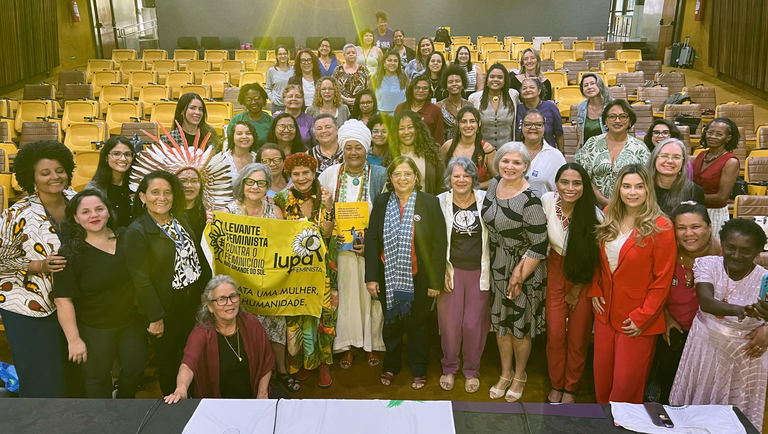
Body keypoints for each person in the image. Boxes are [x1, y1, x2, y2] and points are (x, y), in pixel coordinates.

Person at [669, 218, 768, 429]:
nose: (737, 255)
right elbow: (706, 302)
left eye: (746, 251)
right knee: (695, 412)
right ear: (721, 244)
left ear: (758, 252)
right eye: (731, 248)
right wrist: (739, 310)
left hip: (747, 355)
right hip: (706, 348)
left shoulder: (765, 279)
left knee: (736, 416)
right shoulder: (707, 264)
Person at [589, 164, 676, 404]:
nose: (632, 192)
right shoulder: (609, 214)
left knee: (626, 386)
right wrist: (594, 289)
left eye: (639, 186)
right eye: (627, 186)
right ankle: (605, 425)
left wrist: (642, 317)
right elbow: (598, 261)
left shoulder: (661, 226)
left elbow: (663, 280)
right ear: (619, 189)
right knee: (603, 380)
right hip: (605, 312)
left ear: (648, 190)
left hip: (636, 319)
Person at [0, 140, 78, 397]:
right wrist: (39, 265)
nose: (55, 177)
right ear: (32, 178)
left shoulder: (77, 202)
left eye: (59, 170)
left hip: (69, 301)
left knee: (70, 372)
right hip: (26, 305)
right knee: (42, 377)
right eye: (45, 173)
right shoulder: (16, 213)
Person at [125, 170, 212, 396]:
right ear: (143, 196)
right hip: (165, 308)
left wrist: (203, 291)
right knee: (168, 360)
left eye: (167, 192)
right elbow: (141, 281)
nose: (161, 198)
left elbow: (197, 256)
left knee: (191, 354)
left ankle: (191, 398)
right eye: (155, 193)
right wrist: (156, 317)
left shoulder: (180, 218)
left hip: (191, 301)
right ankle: (173, 407)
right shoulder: (137, 231)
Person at [365, 155, 447, 389]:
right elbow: (372, 240)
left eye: (407, 174)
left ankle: (419, 369)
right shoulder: (382, 202)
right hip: (387, 276)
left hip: (419, 277)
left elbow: (439, 244)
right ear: (390, 178)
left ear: (416, 177)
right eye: (397, 174)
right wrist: (371, 277)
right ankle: (390, 366)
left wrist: (435, 281)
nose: (402, 178)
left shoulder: (429, 203)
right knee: (391, 324)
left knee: (418, 325)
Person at [54, 189, 145, 399]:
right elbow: (63, 299)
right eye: (85, 212)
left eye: (99, 209)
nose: (93, 215)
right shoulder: (69, 253)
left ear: (108, 211)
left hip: (130, 322)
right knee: (97, 378)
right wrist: (74, 339)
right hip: (94, 327)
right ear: (75, 218)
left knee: (135, 370)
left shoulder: (126, 237)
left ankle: (123, 406)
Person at [218, 164, 298, 392]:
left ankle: (281, 370)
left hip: (270, 282)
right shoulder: (228, 211)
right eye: (250, 182)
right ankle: (254, 374)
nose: (255, 187)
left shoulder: (275, 211)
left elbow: (284, 247)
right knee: (245, 329)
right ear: (241, 184)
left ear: (267, 187)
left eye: (261, 183)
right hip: (239, 283)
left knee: (276, 324)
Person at [318, 120, 388, 369]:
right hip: (341, 250)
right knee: (346, 297)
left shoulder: (380, 175)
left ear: (366, 149)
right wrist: (330, 230)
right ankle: (347, 345)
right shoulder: (329, 175)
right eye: (348, 148)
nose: (353, 152)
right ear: (342, 149)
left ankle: (372, 344)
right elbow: (321, 213)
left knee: (372, 296)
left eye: (358, 147)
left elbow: (386, 214)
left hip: (371, 249)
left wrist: (371, 243)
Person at [483, 142, 548, 403]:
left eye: (516, 163)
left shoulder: (530, 199)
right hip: (497, 262)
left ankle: (520, 375)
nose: (510, 166)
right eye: (505, 161)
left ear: (525, 167)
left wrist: (519, 276)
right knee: (501, 322)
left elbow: (539, 243)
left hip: (524, 267)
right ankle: (505, 372)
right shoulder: (492, 185)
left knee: (518, 325)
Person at [644, 202, 719, 404]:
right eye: (681, 228)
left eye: (695, 227)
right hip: (673, 332)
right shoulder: (666, 252)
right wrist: (666, 316)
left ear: (709, 227)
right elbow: (651, 290)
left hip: (710, 338)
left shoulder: (725, 256)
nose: (689, 234)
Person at [541, 163, 603, 403]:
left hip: (584, 277)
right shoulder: (547, 201)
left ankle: (571, 387)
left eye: (577, 183)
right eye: (564, 182)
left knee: (578, 337)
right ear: (556, 183)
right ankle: (556, 383)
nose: (570, 188)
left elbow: (595, 259)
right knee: (555, 334)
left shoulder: (594, 214)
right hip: (555, 269)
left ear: (584, 186)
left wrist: (577, 289)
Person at [274, 153, 336, 388]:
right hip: (292, 269)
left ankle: (323, 363)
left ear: (314, 174)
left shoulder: (324, 195)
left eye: (306, 173)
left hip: (320, 268)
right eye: (296, 174)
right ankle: (298, 362)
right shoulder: (280, 199)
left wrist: (328, 206)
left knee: (320, 315)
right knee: (296, 315)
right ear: (289, 175)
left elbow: (328, 233)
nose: (301, 178)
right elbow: (280, 234)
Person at [163, 275, 275, 402]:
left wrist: (262, 394)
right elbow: (188, 365)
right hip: (219, 403)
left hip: (253, 397)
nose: (229, 303)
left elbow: (266, 361)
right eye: (222, 299)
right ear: (210, 306)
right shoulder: (202, 332)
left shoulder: (251, 323)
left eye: (233, 296)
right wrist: (181, 389)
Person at [436, 156, 491, 393]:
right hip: (451, 271)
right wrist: (440, 271)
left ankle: (471, 370)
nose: (461, 180)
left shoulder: (486, 200)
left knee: (473, 325)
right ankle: (449, 367)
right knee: (449, 325)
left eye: (466, 176)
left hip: (479, 271)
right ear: (449, 178)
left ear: (473, 178)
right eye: (456, 176)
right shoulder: (439, 202)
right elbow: (432, 241)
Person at [575, 99, 650, 207]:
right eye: (612, 116)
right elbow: (582, 175)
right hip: (593, 206)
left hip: (629, 207)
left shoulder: (640, 149)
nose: (617, 120)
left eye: (623, 116)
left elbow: (645, 183)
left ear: (630, 121)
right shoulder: (592, 143)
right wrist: (603, 200)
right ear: (605, 121)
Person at [692, 117, 740, 236]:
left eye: (719, 134)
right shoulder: (701, 154)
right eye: (710, 132)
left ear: (728, 138)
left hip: (714, 213)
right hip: (694, 210)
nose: (713, 136)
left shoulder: (730, 162)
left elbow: (721, 197)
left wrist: (690, 197)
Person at [383, 110, 445, 195]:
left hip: (429, 206)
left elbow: (442, 185)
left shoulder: (433, 152)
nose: (406, 132)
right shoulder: (391, 156)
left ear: (418, 128)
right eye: (401, 129)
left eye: (410, 127)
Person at [440, 106, 496, 189]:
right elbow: (440, 177)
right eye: (463, 121)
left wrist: (475, 187)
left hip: (479, 197)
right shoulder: (447, 146)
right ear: (457, 124)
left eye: (472, 121)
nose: (468, 125)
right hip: (451, 196)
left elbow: (497, 179)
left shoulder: (487, 149)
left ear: (479, 123)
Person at [86, 136, 135, 227]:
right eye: (116, 154)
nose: (123, 158)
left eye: (127, 154)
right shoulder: (94, 189)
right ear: (105, 157)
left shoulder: (137, 184)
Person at [468, 63, 520, 149]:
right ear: (487, 80)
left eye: (500, 77)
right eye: (492, 77)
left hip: (508, 150)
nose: (495, 79)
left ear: (504, 81)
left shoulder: (513, 95)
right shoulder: (474, 98)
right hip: (482, 150)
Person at [647, 138, 704, 215]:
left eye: (676, 157)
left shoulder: (695, 191)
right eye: (664, 156)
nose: (670, 161)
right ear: (654, 158)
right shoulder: (641, 187)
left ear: (683, 162)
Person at [520, 109, 567, 196]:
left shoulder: (556, 156)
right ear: (522, 126)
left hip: (544, 207)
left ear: (544, 127)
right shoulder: (511, 151)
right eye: (528, 124)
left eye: (538, 125)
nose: (533, 127)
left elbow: (563, 188)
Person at [514, 78, 563, 150]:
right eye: (524, 88)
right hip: (522, 153)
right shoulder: (517, 109)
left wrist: (562, 153)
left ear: (539, 91)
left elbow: (559, 133)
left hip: (548, 152)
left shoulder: (550, 107)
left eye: (532, 87)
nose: (528, 90)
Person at [395, 75, 444, 144]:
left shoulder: (435, 110)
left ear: (429, 91)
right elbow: (394, 133)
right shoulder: (400, 107)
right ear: (411, 89)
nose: (421, 91)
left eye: (425, 88)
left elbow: (438, 138)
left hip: (427, 151)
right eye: (417, 87)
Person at [226, 83, 273, 148]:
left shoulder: (271, 121)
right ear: (243, 101)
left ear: (263, 99)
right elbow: (231, 144)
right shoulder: (236, 120)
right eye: (248, 99)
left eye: (257, 98)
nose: (253, 102)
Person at [436, 65, 471, 142]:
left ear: (463, 85)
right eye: (450, 82)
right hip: (445, 148)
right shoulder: (439, 106)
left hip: (466, 147)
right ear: (446, 86)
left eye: (457, 81)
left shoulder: (470, 106)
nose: (454, 84)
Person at [575, 73, 613, 145]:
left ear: (600, 85)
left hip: (610, 149)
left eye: (592, 83)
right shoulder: (581, 106)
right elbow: (581, 134)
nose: (589, 87)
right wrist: (578, 153)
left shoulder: (612, 105)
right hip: (588, 151)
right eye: (585, 85)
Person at [219, 121, 258, 186]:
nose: (244, 136)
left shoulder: (258, 159)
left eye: (248, 133)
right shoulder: (222, 160)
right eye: (239, 134)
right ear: (232, 137)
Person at [332, 44, 371, 108]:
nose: (351, 54)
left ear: (356, 55)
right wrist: (344, 99)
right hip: (341, 105)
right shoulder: (338, 70)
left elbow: (368, 88)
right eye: (348, 53)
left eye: (353, 53)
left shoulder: (364, 69)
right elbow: (333, 87)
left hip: (361, 105)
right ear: (344, 55)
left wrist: (359, 99)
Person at [280, 84, 315, 149]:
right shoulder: (275, 119)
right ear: (284, 100)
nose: (294, 99)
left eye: (298, 97)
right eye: (290, 96)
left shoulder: (310, 121)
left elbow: (316, 145)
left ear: (302, 100)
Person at [374, 50, 408, 117]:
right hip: (381, 116)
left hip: (400, 115)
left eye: (395, 61)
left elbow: (409, 96)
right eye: (389, 60)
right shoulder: (376, 78)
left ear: (398, 63)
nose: (392, 63)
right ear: (384, 62)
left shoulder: (404, 77)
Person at [265, 45, 294, 114]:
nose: (282, 56)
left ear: (287, 55)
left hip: (291, 104)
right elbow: (268, 88)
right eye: (280, 54)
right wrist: (272, 99)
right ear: (276, 56)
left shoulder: (293, 70)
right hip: (277, 106)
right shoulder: (271, 70)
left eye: (284, 54)